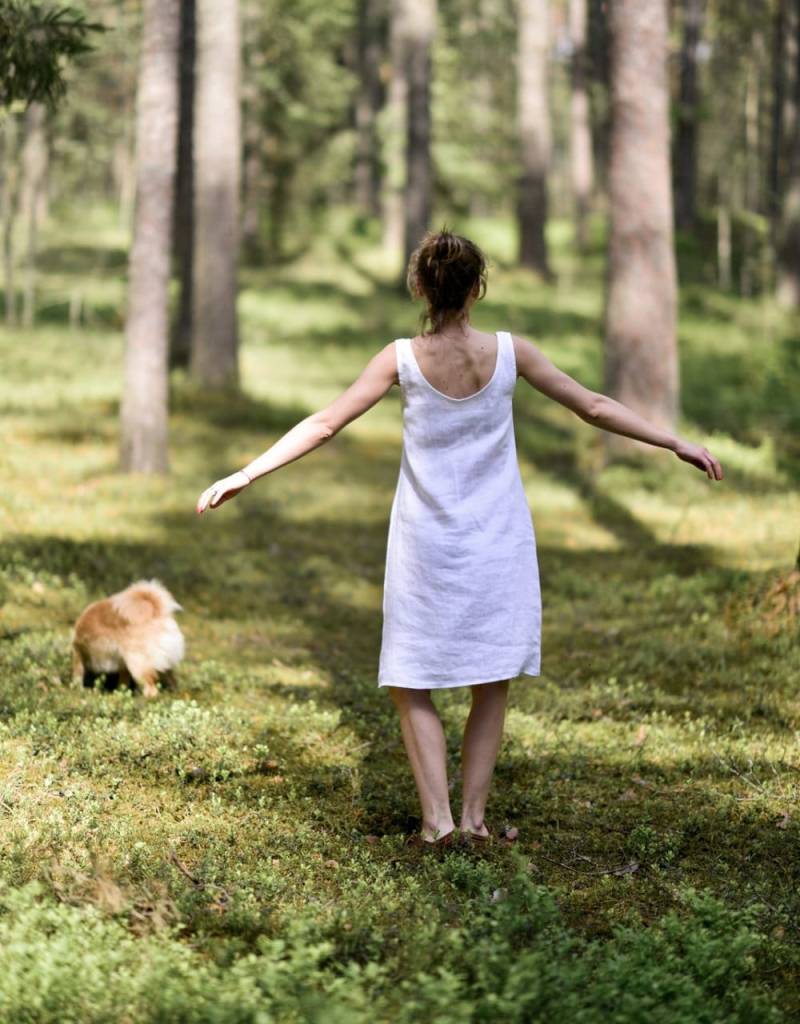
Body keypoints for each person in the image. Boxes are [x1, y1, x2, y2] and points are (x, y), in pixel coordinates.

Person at [196, 228, 723, 849]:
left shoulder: (399, 358)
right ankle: (472, 822)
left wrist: (247, 472)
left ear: (419, 285)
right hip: (498, 538)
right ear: (476, 289)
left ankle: (438, 823)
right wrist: (676, 442)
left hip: (425, 544)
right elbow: (596, 407)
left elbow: (325, 423)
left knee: (410, 680)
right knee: (490, 679)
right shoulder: (510, 352)